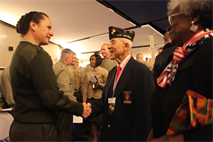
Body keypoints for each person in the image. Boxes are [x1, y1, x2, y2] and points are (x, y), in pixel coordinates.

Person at [9, 11, 90, 142]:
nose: (51, 33)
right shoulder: (37, 54)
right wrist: (80, 108)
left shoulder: (20, 51)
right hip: (38, 131)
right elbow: (52, 98)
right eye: (48, 27)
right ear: (33, 25)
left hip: (21, 127)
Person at [147, 0, 213, 141]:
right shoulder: (175, 59)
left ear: (193, 17)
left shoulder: (209, 51)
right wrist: (155, 130)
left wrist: (174, 140)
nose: (169, 25)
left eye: (173, 17)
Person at [87, 26, 155, 142]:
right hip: (109, 134)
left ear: (125, 46)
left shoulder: (141, 72)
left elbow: (145, 115)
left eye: (113, 42)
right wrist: (89, 107)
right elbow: (106, 100)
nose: (109, 46)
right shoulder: (113, 72)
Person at [53, 48, 77, 142]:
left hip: (58, 103)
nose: (73, 60)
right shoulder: (62, 69)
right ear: (67, 58)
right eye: (72, 58)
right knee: (65, 130)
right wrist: (73, 102)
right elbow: (64, 89)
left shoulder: (57, 66)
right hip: (65, 104)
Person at [84, 54, 108, 142]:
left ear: (98, 60)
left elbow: (108, 86)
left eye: (93, 59)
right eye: (90, 60)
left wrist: (99, 85)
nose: (91, 61)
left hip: (100, 99)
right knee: (92, 121)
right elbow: (85, 87)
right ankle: (95, 138)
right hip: (91, 98)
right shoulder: (88, 73)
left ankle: (103, 137)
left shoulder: (104, 72)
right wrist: (84, 100)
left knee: (102, 121)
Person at [67, 53, 88, 141]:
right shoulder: (66, 68)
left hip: (78, 94)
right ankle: (69, 136)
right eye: (73, 58)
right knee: (68, 117)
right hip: (70, 95)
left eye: (75, 58)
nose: (74, 60)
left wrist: (84, 99)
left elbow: (83, 84)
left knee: (79, 116)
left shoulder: (79, 70)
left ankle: (79, 135)